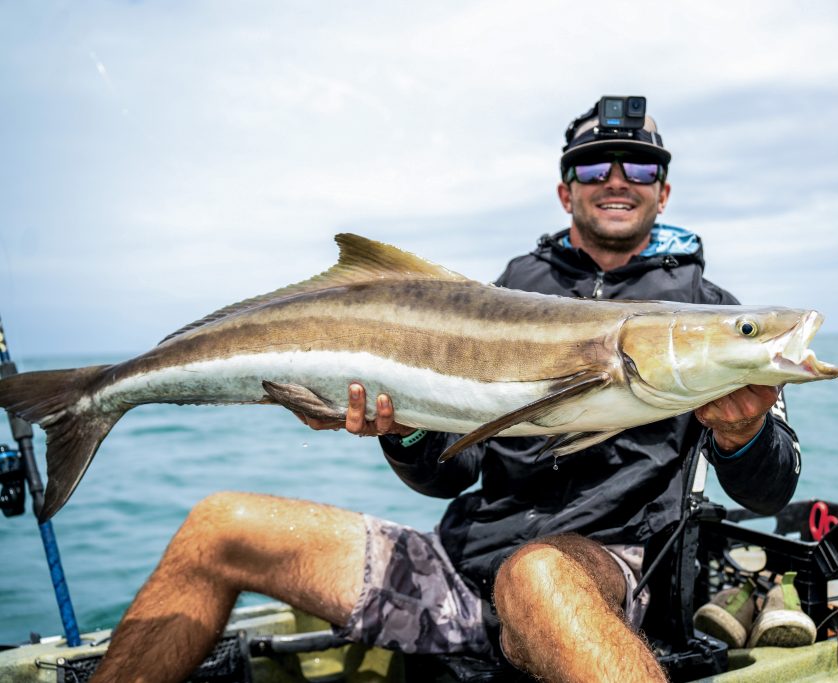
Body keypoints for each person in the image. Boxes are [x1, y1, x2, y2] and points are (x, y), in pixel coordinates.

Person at [92, 97, 801, 683]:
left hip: (602, 575)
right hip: (462, 565)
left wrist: (744, 433)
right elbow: (452, 471)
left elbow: (772, 489)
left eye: (640, 165)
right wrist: (404, 430)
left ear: (663, 190)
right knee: (218, 526)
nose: (617, 179)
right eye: (593, 165)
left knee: (539, 575)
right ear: (566, 190)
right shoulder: (508, 292)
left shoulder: (718, 320)